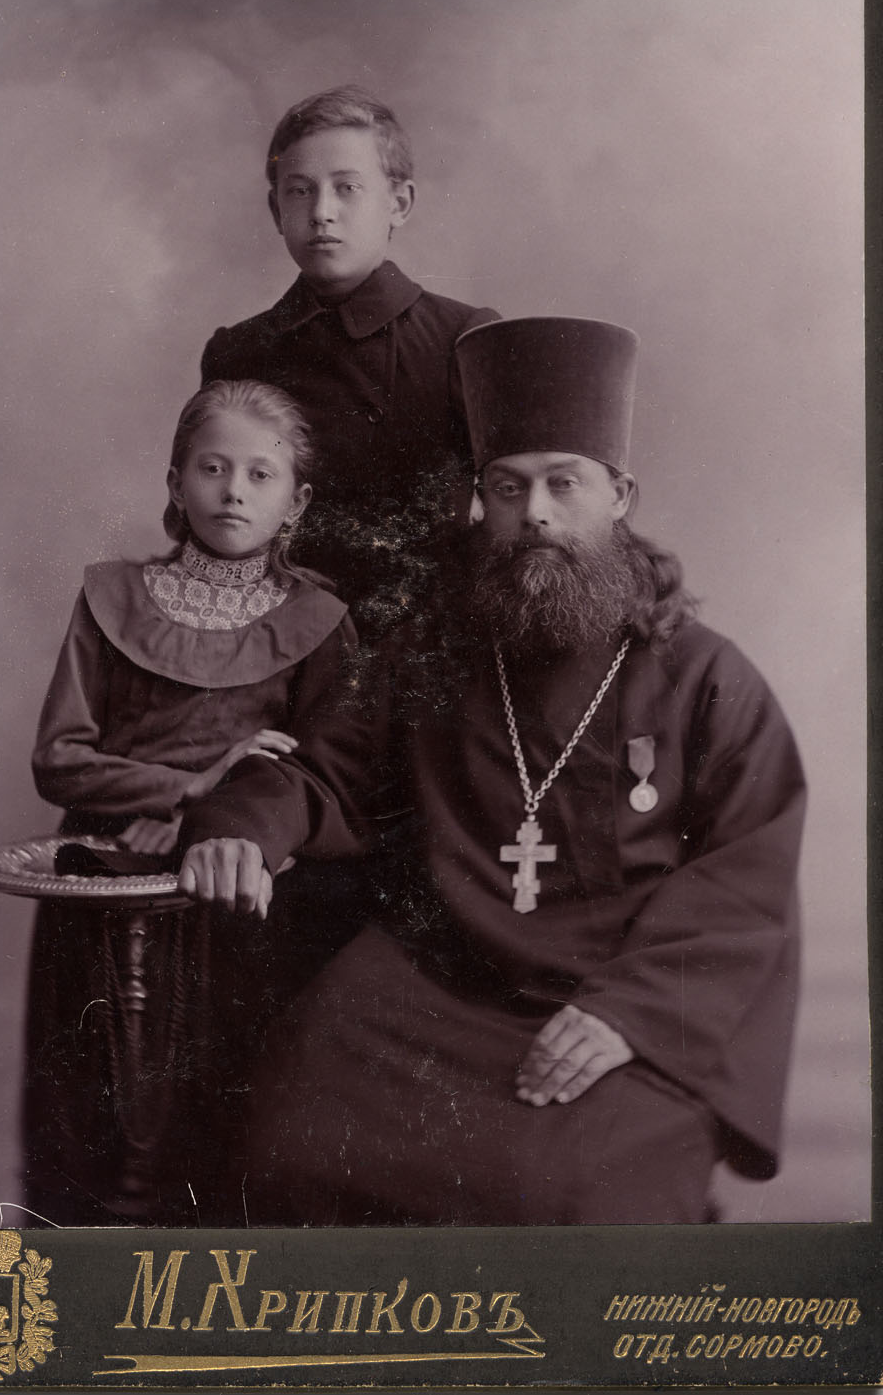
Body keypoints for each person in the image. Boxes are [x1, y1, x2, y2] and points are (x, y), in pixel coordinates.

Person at [178, 317, 807, 1227]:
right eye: (508, 487)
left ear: (619, 494)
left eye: (563, 482)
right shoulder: (430, 650)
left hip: (614, 998)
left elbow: (749, 868)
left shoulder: (706, 675)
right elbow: (328, 776)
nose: (535, 513)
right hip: (435, 987)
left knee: (573, 1193)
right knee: (287, 1140)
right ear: (482, 501)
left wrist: (633, 1012)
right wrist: (243, 824)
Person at [24, 379, 364, 1226]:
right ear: (176, 482)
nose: (233, 490)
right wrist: (187, 784)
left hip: (232, 902)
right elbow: (58, 759)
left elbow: (326, 778)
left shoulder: (320, 620)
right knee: (92, 1121)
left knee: (212, 1129)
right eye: (212, 468)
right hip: (102, 888)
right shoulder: (110, 596)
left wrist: (222, 813)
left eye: (260, 474)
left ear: (297, 501)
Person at [199, 84, 499, 637]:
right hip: (273, 637)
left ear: (399, 204)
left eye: (347, 188)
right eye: (300, 191)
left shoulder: (461, 338)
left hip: (421, 641)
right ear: (276, 210)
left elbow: (513, 505)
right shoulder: (238, 351)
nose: (321, 213)